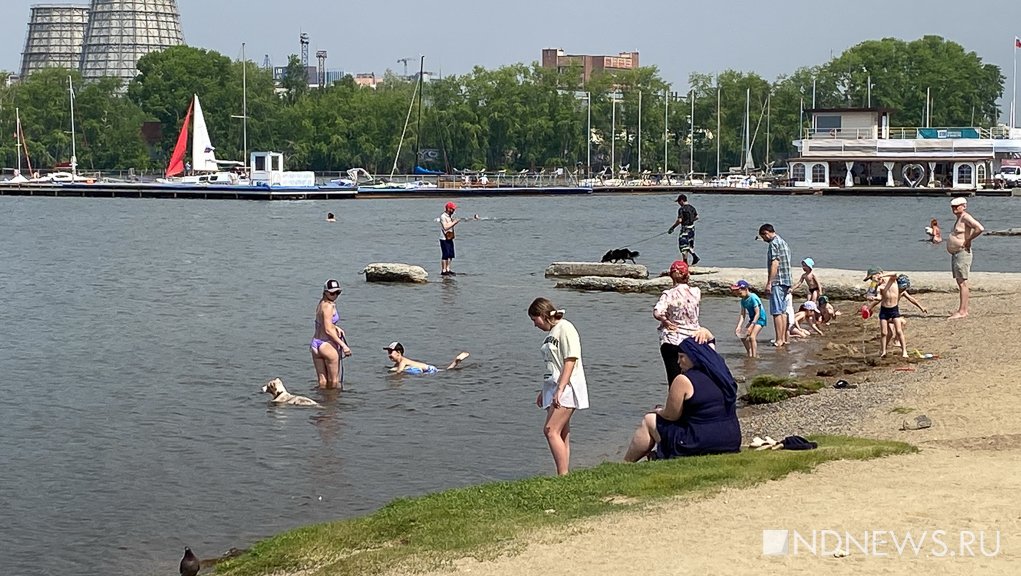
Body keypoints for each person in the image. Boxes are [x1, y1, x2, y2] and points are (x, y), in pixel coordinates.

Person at [624, 336, 741, 462]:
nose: (678, 362)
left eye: (681, 357)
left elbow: (671, 415)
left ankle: (626, 463)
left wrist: (658, 411)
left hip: (699, 442)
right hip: (730, 439)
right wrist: (706, 334)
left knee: (649, 420)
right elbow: (710, 343)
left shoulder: (683, 380)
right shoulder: (723, 376)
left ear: (694, 356)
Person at [528, 297, 589, 476]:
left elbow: (570, 360)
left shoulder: (565, 328)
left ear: (543, 315)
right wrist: (544, 390)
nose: (535, 325)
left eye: (534, 320)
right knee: (561, 431)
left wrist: (561, 389)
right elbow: (553, 365)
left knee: (550, 430)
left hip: (567, 386)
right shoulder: (552, 333)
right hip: (553, 386)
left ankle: (563, 474)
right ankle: (563, 472)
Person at [653, 260, 701, 384]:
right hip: (692, 339)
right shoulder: (696, 292)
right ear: (687, 275)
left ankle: (674, 402)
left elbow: (657, 312)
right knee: (691, 378)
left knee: (674, 379)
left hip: (671, 339)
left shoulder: (668, 294)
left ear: (671, 276)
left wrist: (665, 321)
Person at [310, 279, 352, 389]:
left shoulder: (321, 303)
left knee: (322, 381)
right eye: (332, 293)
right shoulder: (329, 306)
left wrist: (336, 327)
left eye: (338, 292)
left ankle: (320, 402)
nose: (335, 295)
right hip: (327, 344)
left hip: (315, 344)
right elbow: (328, 330)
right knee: (334, 382)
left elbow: (322, 322)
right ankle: (332, 405)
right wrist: (344, 346)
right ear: (325, 292)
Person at [946, 197, 984, 318]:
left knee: (962, 282)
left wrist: (968, 240)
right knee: (959, 281)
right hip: (956, 253)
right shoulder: (959, 219)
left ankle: (963, 311)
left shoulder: (966, 217)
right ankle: (962, 309)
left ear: (964, 206)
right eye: (953, 207)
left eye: (957, 206)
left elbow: (980, 228)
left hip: (962, 252)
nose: (954, 209)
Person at [757, 223, 793, 347]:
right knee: (782, 311)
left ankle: (778, 339)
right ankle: (782, 338)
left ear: (766, 233)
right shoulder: (783, 242)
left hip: (778, 281)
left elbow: (775, 263)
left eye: (763, 236)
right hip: (786, 280)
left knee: (776, 311)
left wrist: (769, 282)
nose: (764, 240)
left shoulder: (774, 244)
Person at [864, 268, 908, 358]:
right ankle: (883, 351)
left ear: (878, 274)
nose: (874, 280)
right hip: (884, 310)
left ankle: (904, 351)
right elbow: (878, 297)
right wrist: (873, 298)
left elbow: (895, 273)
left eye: (873, 278)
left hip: (894, 309)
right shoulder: (879, 286)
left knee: (899, 331)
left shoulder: (891, 279)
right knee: (884, 333)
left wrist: (882, 275)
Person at [384, 341, 470, 374]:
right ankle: (456, 362)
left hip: (429, 369)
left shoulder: (403, 361)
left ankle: (456, 361)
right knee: (445, 370)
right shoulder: (398, 363)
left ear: (398, 352)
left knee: (446, 371)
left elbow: (399, 372)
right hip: (426, 369)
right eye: (388, 352)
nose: (389, 354)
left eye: (391, 352)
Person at [731, 279, 766, 358]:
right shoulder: (743, 300)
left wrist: (751, 325)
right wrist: (739, 326)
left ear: (746, 289)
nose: (739, 294)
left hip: (760, 318)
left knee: (752, 337)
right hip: (752, 319)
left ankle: (754, 356)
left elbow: (757, 313)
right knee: (742, 336)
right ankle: (749, 352)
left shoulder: (753, 297)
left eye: (740, 292)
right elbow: (742, 315)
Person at [667, 194, 700, 266]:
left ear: (681, 201)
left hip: (685, 229)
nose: (678, 203)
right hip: (692, 228)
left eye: (678, 202)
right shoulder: (692, 208)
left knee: (683, 246)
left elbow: (679, 220)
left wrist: (672, 228)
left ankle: (688, 261)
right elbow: (697, 217)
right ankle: (691, 259)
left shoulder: (681, 209)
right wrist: (691, 220)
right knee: (689, 244)